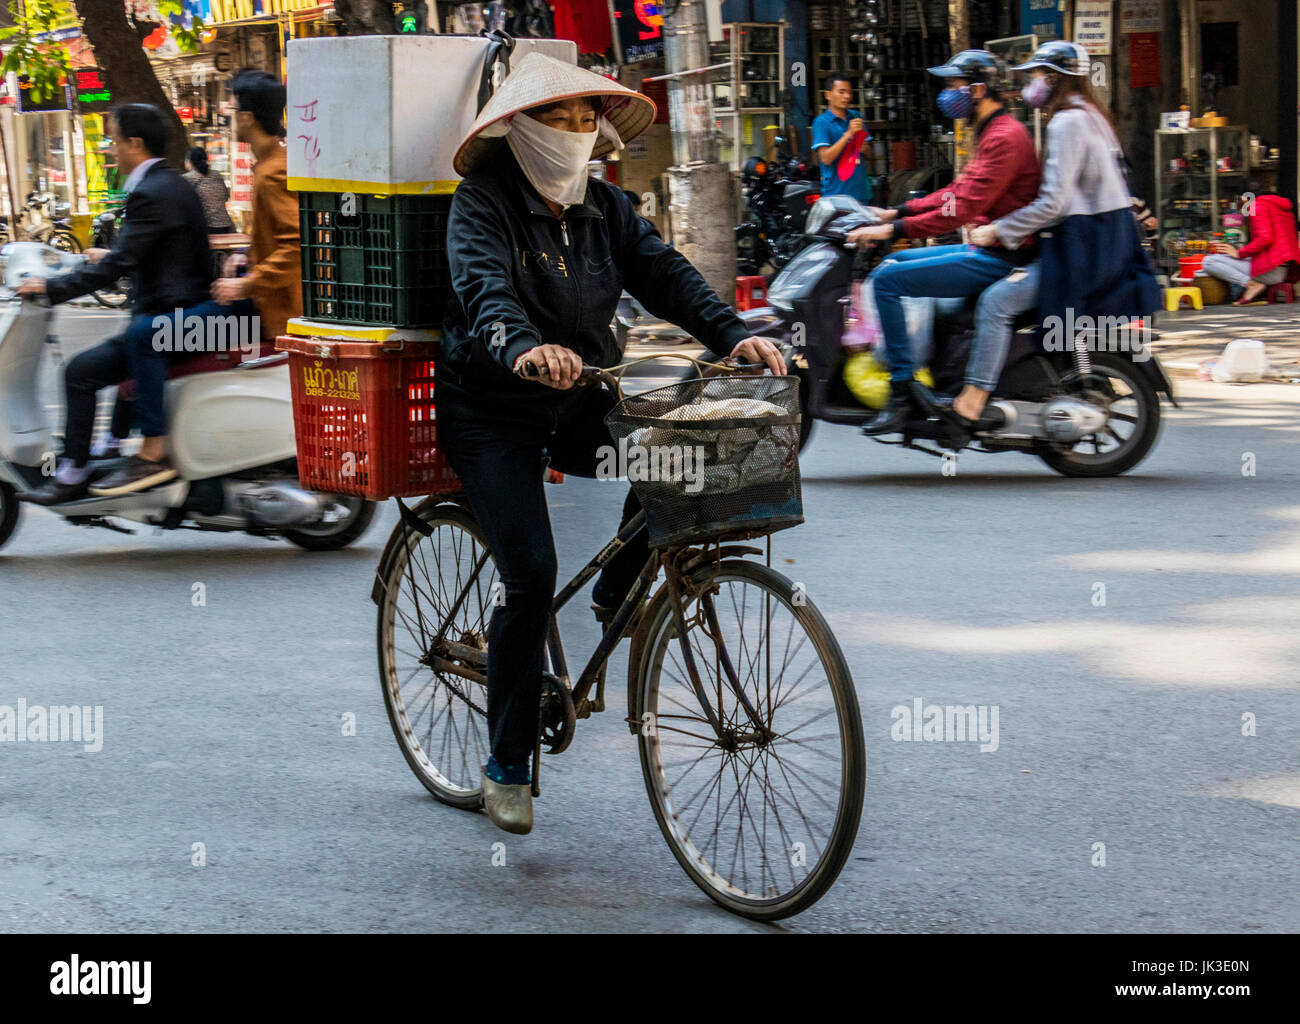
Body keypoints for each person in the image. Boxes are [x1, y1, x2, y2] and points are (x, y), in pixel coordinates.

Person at [439, 52, 784, 835]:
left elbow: (667, 276)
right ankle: (505, 765)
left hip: (580, 396)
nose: (574, 131)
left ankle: (614, 593)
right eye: (556, 118)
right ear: (518, 130)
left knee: (679, 450)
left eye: (584, 117)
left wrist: (735, 335)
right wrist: (524, 347)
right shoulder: (481, 204)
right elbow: (482, 290)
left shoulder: (606, 207)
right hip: (492, 407)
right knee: (529, 575)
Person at [15, 104, 214, 504]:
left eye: (114, 140)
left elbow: (121, 265)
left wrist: (49, 287)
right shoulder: (171, 184)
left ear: (134, 143)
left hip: (171, 319)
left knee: (80, 373)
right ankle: (101, 451)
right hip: (178, 313)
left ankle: (76, 470)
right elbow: (149, 252)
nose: (110, 150)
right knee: (97, 367)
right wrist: (105, 257)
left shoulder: (151, 192)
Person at [847, 50, 1041, 435]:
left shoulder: (1005, 138)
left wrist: (895, 230)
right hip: (987, 249)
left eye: (954, 86)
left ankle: (901, 393)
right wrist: (898, 211)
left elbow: (962, 207)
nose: (947, 95)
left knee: (887, 281)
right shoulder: (991, 132)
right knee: (892, 268)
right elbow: (956, 192)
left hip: (1002, 258)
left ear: (978, 89)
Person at [957, 42, 1143, 426]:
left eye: (1035, 75)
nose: (1031, 84)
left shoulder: (1067, 123)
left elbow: (1054, 203)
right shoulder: (1091, 115)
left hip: (1082, 248)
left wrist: (998, 230)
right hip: (1103, 241)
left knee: (996, 302)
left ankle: (973, 399)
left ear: (1054, 78)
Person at [210, 69, 301, 343]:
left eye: (233, 108)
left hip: (277, 310)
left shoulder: (274, 172)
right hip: (266, 301)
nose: (228, 116)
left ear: (248, 117)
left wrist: (244, 284)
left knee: (165, 335)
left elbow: (296, 246)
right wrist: (245, 253)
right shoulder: (269, 165)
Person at [1196, 182, 1300, 305]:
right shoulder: (1281, 208)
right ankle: (1251, 285)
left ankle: (1252, 285)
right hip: (1285, 270)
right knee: (1222, 258)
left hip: (1271, 271)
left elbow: (1265, 238)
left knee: (1209, 261)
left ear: (1245, 197)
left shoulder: (1257, 205)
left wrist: (1239, 253)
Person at [811, 73, 873, 203]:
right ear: (827, 95)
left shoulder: (857, 117)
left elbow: (869, 154)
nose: (847, 97)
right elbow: (826, 158)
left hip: (861, 193)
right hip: (836, 196)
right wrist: (848, 134)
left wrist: (863, 146)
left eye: (849, 92)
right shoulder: (821, 122)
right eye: (841, 92)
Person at [183, 145, 235, 234]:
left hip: (204, 227)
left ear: (189, 162)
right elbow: (226, 197)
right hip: (225, 225)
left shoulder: (188, 178)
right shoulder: (217, 175)